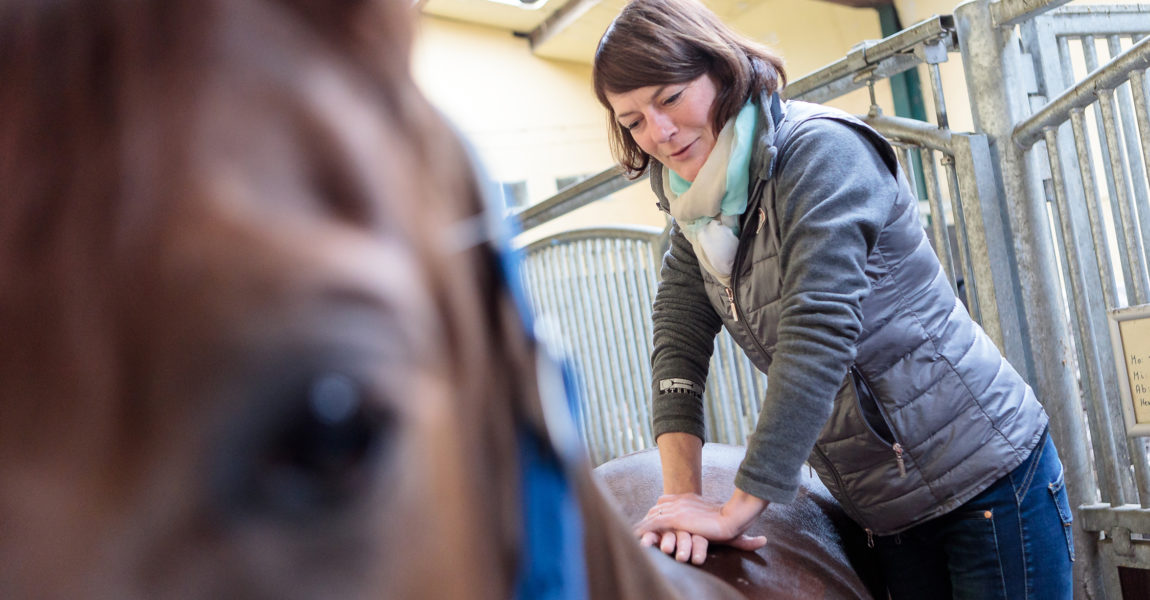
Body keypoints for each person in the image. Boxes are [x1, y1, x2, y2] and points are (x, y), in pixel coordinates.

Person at [591, 0, 1075, 597]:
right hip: (884, 510)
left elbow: (816, 337)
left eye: (669, 98)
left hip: (983, 484)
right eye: (633, 120)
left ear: (721, 70)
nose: (658, 134)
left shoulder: (820, 155)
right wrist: (679, 496)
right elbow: (678, 340)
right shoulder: (695, 210)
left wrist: (736, 509)